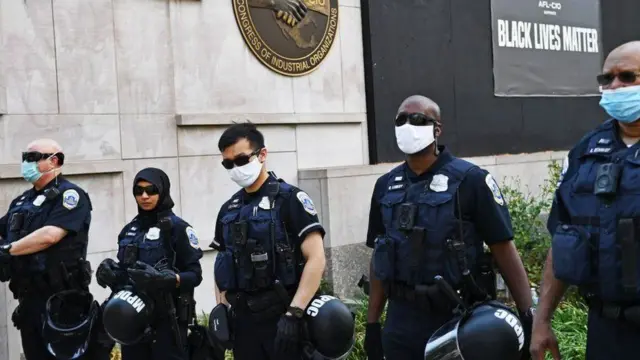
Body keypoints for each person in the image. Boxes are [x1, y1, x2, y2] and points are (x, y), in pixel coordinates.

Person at [363, 96, 535, 360]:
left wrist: (528, 318)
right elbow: (380, 257)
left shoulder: (471, 180)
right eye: (401, 119)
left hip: (455, 318)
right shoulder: (386, 185)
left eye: (418, 119)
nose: (408, 125)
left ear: (437, 129)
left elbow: (504, 249)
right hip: (401, 320)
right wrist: (372, 324)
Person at [531, 41, 640, 360]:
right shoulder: (586, 151)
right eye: (607, 79)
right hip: (607, 331)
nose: (614, 85)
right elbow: (564, 239)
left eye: (627, 76)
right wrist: (542, 320)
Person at [211, 122, 327, 360]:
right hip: (244, 325)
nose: (235, 168)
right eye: (228, 163)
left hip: (284, 320)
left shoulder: (290, 199)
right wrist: (222, 310)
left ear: (262, 154)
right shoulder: (228, 210)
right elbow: (222, 265)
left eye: (241, 160)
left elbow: (316, 259)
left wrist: (294, 313)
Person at [0, 138, 111, 359]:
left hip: (63, 301)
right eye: (24, 157)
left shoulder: (70, 196)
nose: (26, 163)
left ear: (54, 161)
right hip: (29, 300)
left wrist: (8, 249)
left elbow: (51, 235)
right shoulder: (22, 201)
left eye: (32, 158)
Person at [96, 167, 204, 360]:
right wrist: (111, 273)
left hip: (168, 322)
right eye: (139, 191)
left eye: (151, 190)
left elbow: (195, 275)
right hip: (133, 321)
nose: (144, 196)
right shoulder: (130, 229)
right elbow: (126, 272)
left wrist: (169, 280)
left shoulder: (178, 228)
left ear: (162, 191)